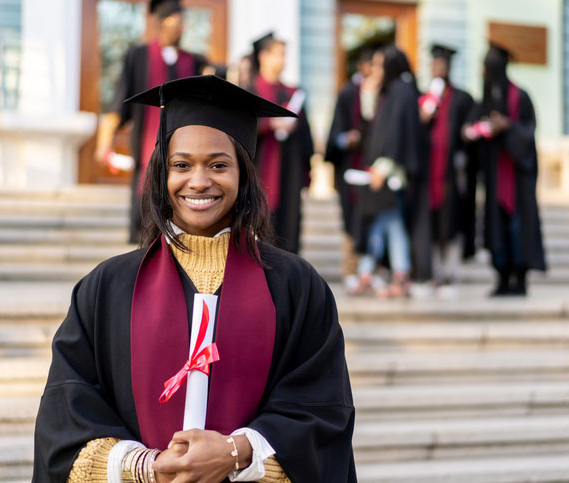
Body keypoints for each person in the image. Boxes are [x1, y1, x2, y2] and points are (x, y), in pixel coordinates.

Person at [33, 75, 356, 483]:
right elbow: (65, 412)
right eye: (181, 165)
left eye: (218, 165)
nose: (199, 181)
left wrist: (236, 453)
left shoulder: (296, 287)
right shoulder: (106, 288)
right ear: (161, 175)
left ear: (244, 173)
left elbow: (322, 412)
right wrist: (146, 467)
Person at [94, 0, 207, 244]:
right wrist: (104, 144)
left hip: (184, 155)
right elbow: (118, 103)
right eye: (176, 21)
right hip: (147, 156)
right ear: (162, 23)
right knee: (145, 223)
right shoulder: (138, 56)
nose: (181, 27)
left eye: (182, 22)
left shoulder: (195, 62)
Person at [463, 43, 546, 296]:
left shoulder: (519, 97)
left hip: (517, 179)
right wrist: (471, 132)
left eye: (485, 67)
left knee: (518, 229)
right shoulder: (486, 99)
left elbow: (528, 133)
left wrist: (507, 127)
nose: (481, 72)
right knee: (496, 230)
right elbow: (473, 127)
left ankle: (519, 281)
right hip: (494, 177)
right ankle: (501, 279)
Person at [349, 46, 423, 298]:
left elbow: (398, 134)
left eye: (381, 65)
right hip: (383, 168)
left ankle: (393, 276)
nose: (376, 70)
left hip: (391, 171)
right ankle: (373, 274)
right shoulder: (391, 90)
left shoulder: (402, 90)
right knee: (383, 224)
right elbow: (373, 123)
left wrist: (383, 167)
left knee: (390, 223)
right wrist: (369, 93)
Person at [419, 44, 478, 295]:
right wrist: (425, 113)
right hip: (427, 173)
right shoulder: (424, 98)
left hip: (452, 174)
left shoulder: (463, 98)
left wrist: (469, 132)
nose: (438, 67)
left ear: (449, 67)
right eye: (435, 64)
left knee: (451, 222)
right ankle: (434, 273)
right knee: (430, 223)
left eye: (442, 64)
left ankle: (451, 273)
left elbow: (471, 128)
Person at [250, 32, 314, 254]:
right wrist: (270, 124)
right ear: (263, 56)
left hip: (290, 173)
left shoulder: (293, 93)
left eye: (285, 55)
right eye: (278, 54)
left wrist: (308, 175)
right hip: (260, 172)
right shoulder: (250, 90)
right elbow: (239, 128)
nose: (283, 60)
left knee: (289, 229)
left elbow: (307, 138)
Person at [324, 48, 377, 287]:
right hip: (349, 165)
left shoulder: (380, 93)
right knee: (350, 217)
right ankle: (350, 269)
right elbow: (336, 133)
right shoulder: (347, 93)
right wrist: (347, 139)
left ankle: (370, 270)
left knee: (371, 217)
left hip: (371, 167)